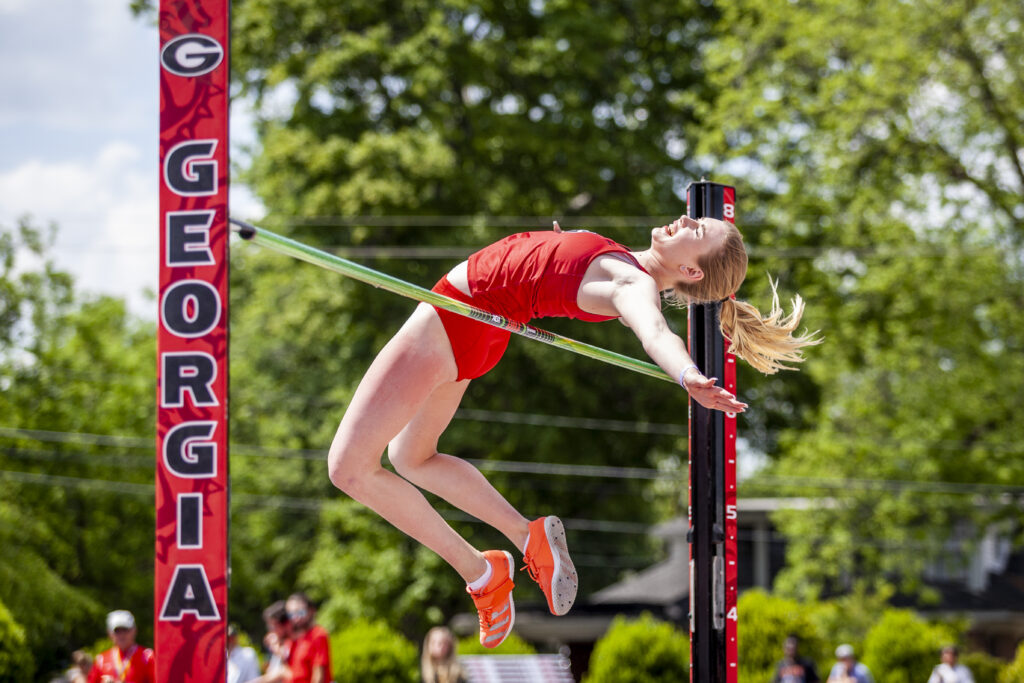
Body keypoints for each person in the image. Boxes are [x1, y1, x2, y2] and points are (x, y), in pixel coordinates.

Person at [327, 216, 819, 647]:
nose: (686, 220)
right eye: (694, 218)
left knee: (348, 469)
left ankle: (480, 571)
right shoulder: (623, 258)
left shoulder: (632, 282)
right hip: (476, 326)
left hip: (457, 317)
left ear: (692, 271)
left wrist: (687, 375)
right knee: (412, 457)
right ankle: (527, 537)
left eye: (697, 231)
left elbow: (655, 333)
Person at [87, 610, 155, 683]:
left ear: (134, 631)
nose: (122, 635)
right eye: (117, 631)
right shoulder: (101, 660)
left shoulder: (148, 657)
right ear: (110, 633)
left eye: (125, 630)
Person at [283, 593, 331, 683]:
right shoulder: (297, 639)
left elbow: (319, 676)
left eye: (300, 612)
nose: (296, 618)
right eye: (291, 614)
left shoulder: (318, 635)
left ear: (311, 611)